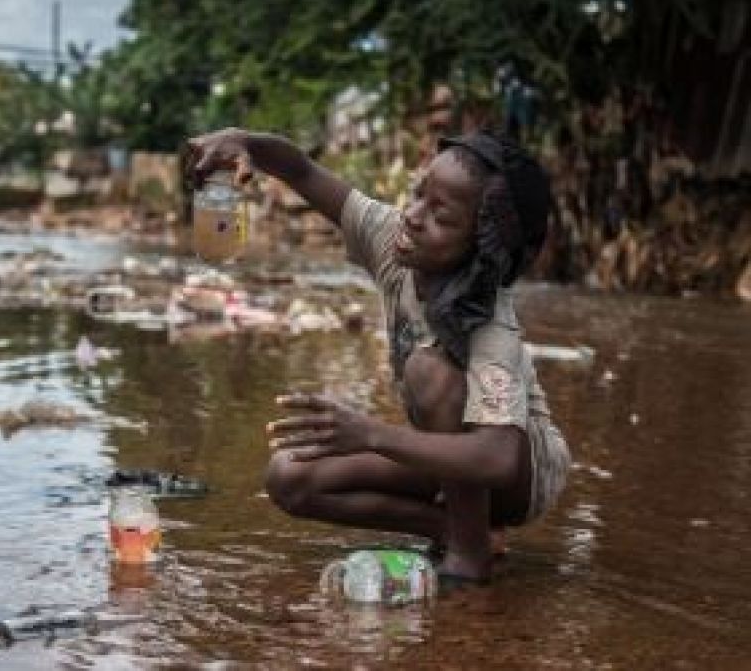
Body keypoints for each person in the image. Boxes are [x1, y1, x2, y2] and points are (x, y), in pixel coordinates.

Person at [185, 128, 571, 584]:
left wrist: (370, 434)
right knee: (290, 475)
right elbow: (302, 170)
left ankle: (469, 560)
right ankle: (458, 531)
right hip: (456, 456)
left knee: (430, 373)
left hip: (522, 476)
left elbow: (499, 456)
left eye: (441, 217)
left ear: (480, 253)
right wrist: (243, 142)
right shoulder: (393, 241)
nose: (412, 216)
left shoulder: (491, 322)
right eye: (419, 195)